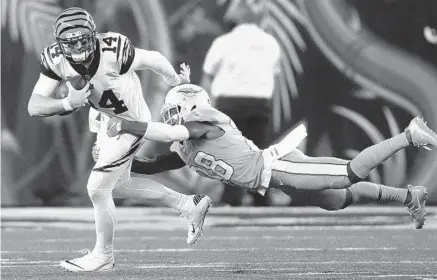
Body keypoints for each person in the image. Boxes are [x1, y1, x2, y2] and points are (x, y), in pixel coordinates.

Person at [27, 7, 211, 272]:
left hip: (132, 122)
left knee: (97, 187)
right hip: (106, 120)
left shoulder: (114, 49)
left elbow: (154, 58)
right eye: (72, 41)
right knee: (119, 186)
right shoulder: (56, 60)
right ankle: (188, 204)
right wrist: (68, 102)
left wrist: (175, 81)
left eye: (83, 39)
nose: (79, 46)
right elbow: (35, 105)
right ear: (60, 44)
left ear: (94, 35)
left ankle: (103, 255)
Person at [106, 84, 433, 231]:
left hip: (275, 165)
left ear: (194, 108)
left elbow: (174, 133)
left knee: (348, 174)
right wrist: (117, 161)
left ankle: (409, 135)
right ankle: (409, 195)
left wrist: (127, 125)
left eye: (176, 111)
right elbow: (156, 165)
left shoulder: (203, 121)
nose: (172, 118)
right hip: (272, 180)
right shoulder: (185, 146)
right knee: (336, 200)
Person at [201, 0, 281, 206]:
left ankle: (232, 197)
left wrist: (204, 107)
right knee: (259, 153)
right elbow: (275, 75)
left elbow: (208, 76)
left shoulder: (223, 42)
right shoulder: (270, 42)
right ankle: (261, 198)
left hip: (230, 103)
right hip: (259, 102)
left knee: (231, 152)